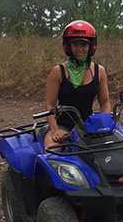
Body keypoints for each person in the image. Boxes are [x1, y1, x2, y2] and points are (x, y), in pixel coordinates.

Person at [43, 20, 112, 149]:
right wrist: (55, 130)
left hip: (90, 125)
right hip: (64, 126)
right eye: (75, 44)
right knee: (52, 151)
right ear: (69, 47)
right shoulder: (58, 72)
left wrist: (105, 122)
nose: (80, 49)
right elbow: (50, 105)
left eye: (84, 45)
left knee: (117, 147)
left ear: (91, 46)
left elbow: (105, 101)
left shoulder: (99, 71)